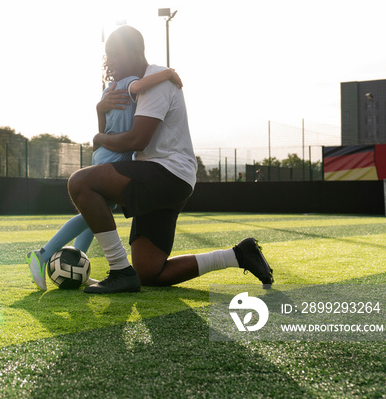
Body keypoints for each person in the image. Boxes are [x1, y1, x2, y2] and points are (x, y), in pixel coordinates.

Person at [67, 25, 274, 294]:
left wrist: (99, 139)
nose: (112, 61)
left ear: (137, 51)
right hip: (166, 177)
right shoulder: (133, 86)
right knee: (150, 272)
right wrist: (100, 112)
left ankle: (119, 270)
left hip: (165, 173)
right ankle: (237, 255)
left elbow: (135, 141)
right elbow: (119, 134)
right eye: (109, 55)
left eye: (117, 54)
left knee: (80, 182)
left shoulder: (156, 81)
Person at [26, 67, 183, 290]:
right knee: (95, 212)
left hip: (108, 153)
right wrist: (167, 73)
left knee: (97, 213)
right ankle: (42, 255)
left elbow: (105, 129)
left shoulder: (108, 91)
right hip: (113, 155)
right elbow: (138, 87)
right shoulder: (130, 80)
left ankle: (78, 260)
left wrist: (99, 113)